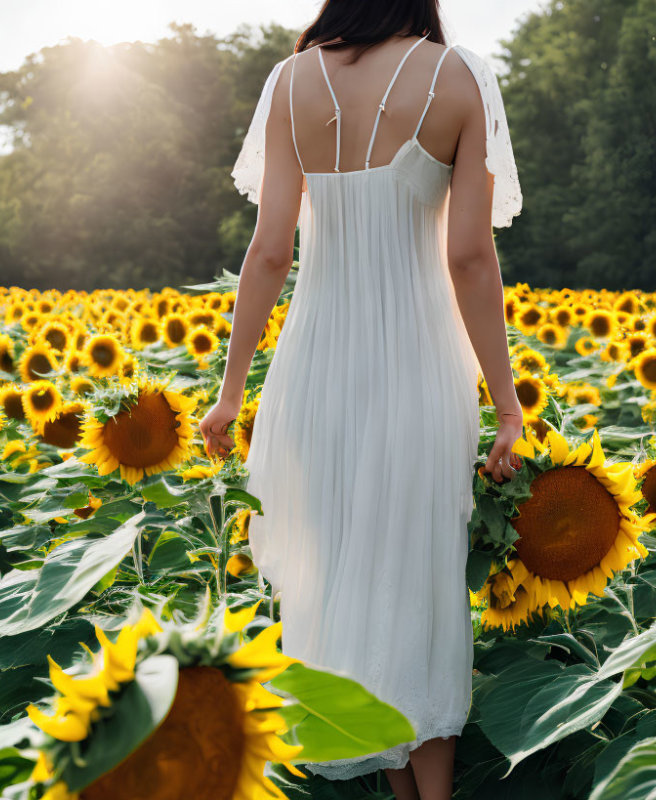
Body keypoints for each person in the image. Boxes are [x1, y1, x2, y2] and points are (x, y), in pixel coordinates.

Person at [198, 2, 524, 797]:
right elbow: (471, 258)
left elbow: (271, 249)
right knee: (414, 585)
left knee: (346, 579)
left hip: (315, 370)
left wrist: (231, 390)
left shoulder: (290, 80)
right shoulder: (455, 77)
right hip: (416, 364)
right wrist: (507, 406)